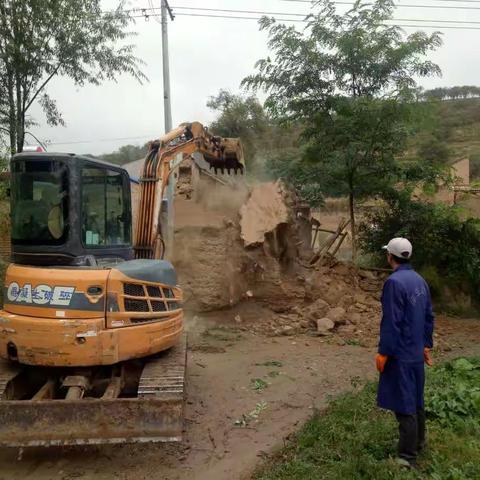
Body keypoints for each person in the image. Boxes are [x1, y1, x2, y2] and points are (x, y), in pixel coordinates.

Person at [376, 237, 435, 468]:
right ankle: (419, 442)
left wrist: (384, 352)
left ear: (390, 257)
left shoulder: (394, 283)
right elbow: (429, 316)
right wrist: (426, 345)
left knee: (404, 404)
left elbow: (392, 322)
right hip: (415, 354)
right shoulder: (420, 281)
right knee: (417, 400)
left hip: (400, 354)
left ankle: (407, 457)